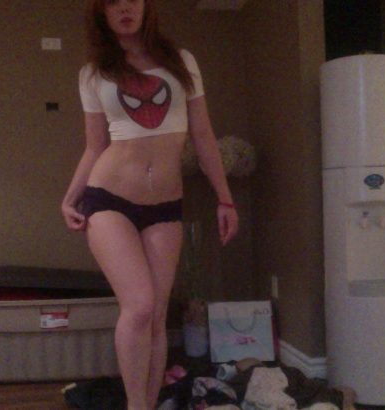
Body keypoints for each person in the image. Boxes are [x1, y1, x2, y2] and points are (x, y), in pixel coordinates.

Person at [61, 1, 239, 409]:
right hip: (109, 199)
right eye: (113, 1)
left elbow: (203, 134)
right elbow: (95, 146)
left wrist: (225, 198)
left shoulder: (181, 62)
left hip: (165, 206)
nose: (125, 7)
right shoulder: (94, 72)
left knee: (157, 314)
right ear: (101, 12)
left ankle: (148, 402)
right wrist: (70, 198)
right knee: (139, 306)